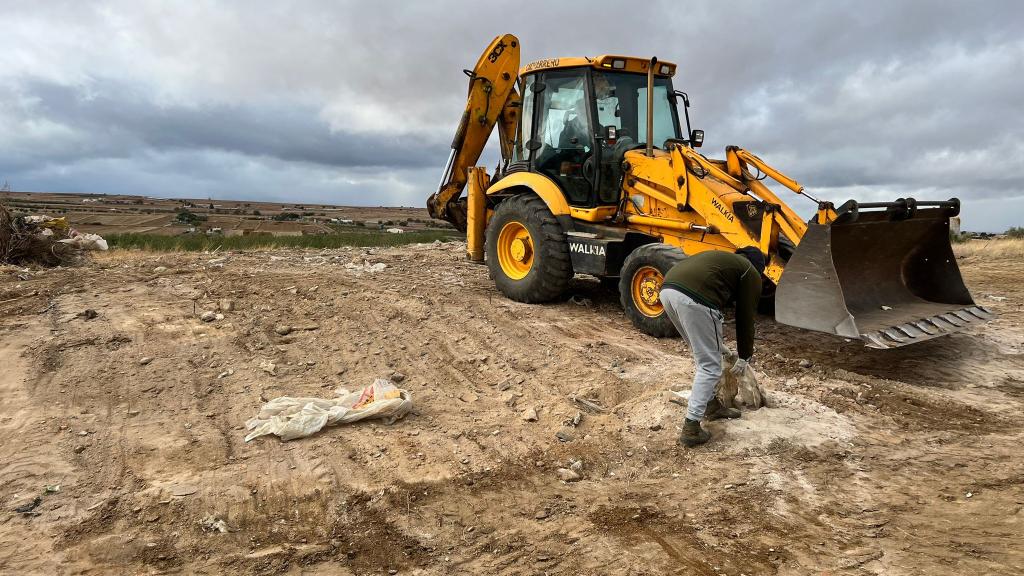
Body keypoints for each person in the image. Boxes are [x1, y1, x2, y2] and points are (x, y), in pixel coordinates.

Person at [659, 247, 766, 447]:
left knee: (703, 356)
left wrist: (721, 347)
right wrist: (745, 355)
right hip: (695, 298)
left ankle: (711, 406)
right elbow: (746, 317)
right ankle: (691, 427)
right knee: (710, 365)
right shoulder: (750, 271)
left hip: (668, 290)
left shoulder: (725, 261)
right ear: (759, 267)